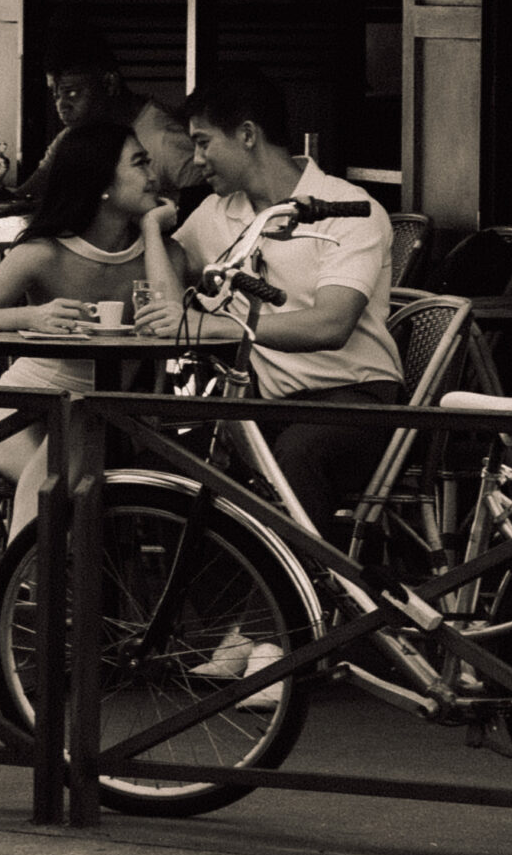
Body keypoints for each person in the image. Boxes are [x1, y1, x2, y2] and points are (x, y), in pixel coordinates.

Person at [151, 66, 402, 543]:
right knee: (167, 457)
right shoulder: (216, 212)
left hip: (356, 400)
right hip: (268, 407)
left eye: (203, 143)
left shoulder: (346, 208)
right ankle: (199, 593)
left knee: (296, 455)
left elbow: (331, 324)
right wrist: (150, 228)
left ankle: (299, 591)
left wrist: (222, 328)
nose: (196, 160)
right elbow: (169, 308)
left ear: (247, 135)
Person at [0, 120, 183, 533]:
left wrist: (153, 230)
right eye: (139, 163)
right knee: (58, 480)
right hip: (18, 411)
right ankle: (39, 572)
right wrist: (28, 317)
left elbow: (172, 323)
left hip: (105, 420)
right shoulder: (44, 253)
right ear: (101, 183)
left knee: (71, 446)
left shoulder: (162, 254)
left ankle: (30, 572)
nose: (153, 175)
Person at [0, 25, 199, 208]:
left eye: (71, 92)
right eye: (55, 94)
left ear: (109, 83)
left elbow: (204, 207)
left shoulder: (165, 139)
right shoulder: (73, 136)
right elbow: (25, 200)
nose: (61, 105)